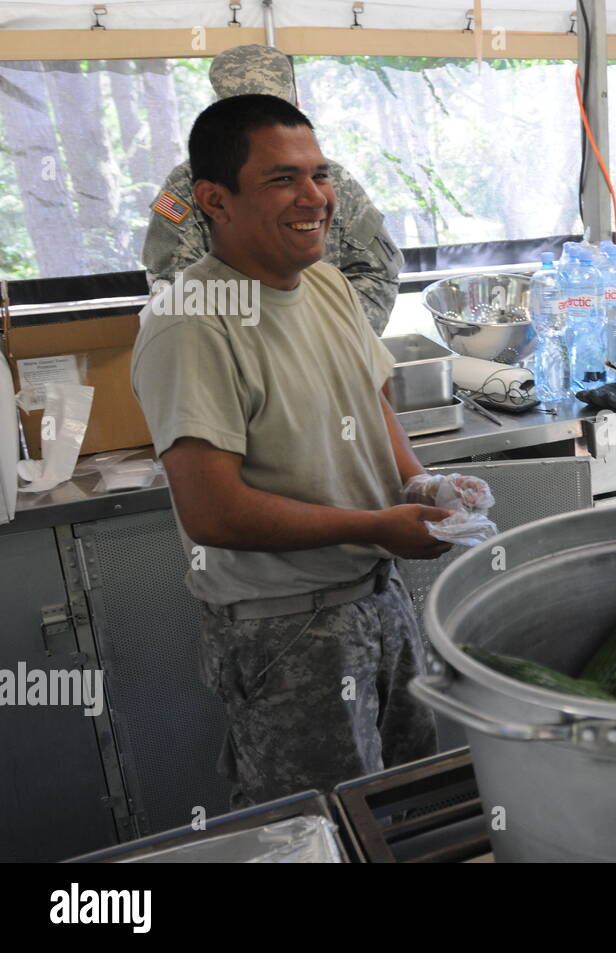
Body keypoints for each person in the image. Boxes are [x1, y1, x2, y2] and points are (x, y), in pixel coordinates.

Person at [131, 94, 487, 808]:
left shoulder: (324, 283)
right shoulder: (190, 324)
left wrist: (418, 484)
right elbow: (214, 512)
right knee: (321, 826)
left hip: (378, 599)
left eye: (319, 174)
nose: (315, 198)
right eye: (282, 180)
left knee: (408, 808)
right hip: (287, 631)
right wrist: (373, 527)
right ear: (214, 199)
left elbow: (371, 396)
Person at [142, 44, 403, 336]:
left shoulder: (336, 180)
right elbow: (175, 294)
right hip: (237, 364)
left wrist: (335, 341)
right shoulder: (186, 189)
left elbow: (377, 272)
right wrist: (268, 346)